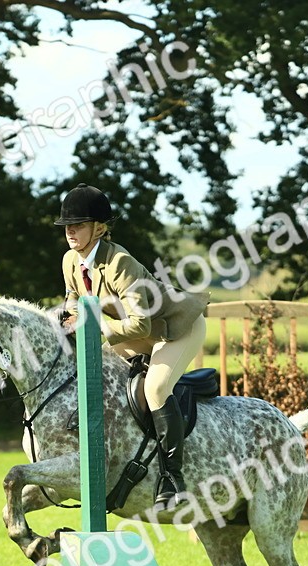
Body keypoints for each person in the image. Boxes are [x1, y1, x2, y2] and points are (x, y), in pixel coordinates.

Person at [55, 183, 210, 507]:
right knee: (101, 374)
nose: (71, 231)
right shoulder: (71, 260)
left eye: (78, 225)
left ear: (99, 228)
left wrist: (91, 325)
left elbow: (139, 323)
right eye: (68, 225)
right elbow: (73, 303)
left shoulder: (119, 263)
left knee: (155, 389)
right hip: (136, 331)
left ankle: (172, 478)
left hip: (176, 328)